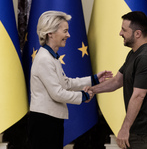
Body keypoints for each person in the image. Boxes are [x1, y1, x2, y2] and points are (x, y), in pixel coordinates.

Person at [28, 10, 112, 149]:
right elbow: (57, 93)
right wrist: (84, 96)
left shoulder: (51, 57)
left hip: (50, 120)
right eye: (65, 31)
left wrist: (94, 79)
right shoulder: (44, 59)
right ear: (50, 33)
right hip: (44, 123)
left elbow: (66, 83)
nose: (68, 35)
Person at [86, 11, 147, 149]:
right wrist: (92, 90)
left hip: (143, 132)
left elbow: (138, 96)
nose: (120, 33)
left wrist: (124, 128)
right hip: (138, 129)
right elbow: (117, 81)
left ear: (137, 34)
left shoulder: (145, 58)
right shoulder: (135, 53)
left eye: (124, 30)